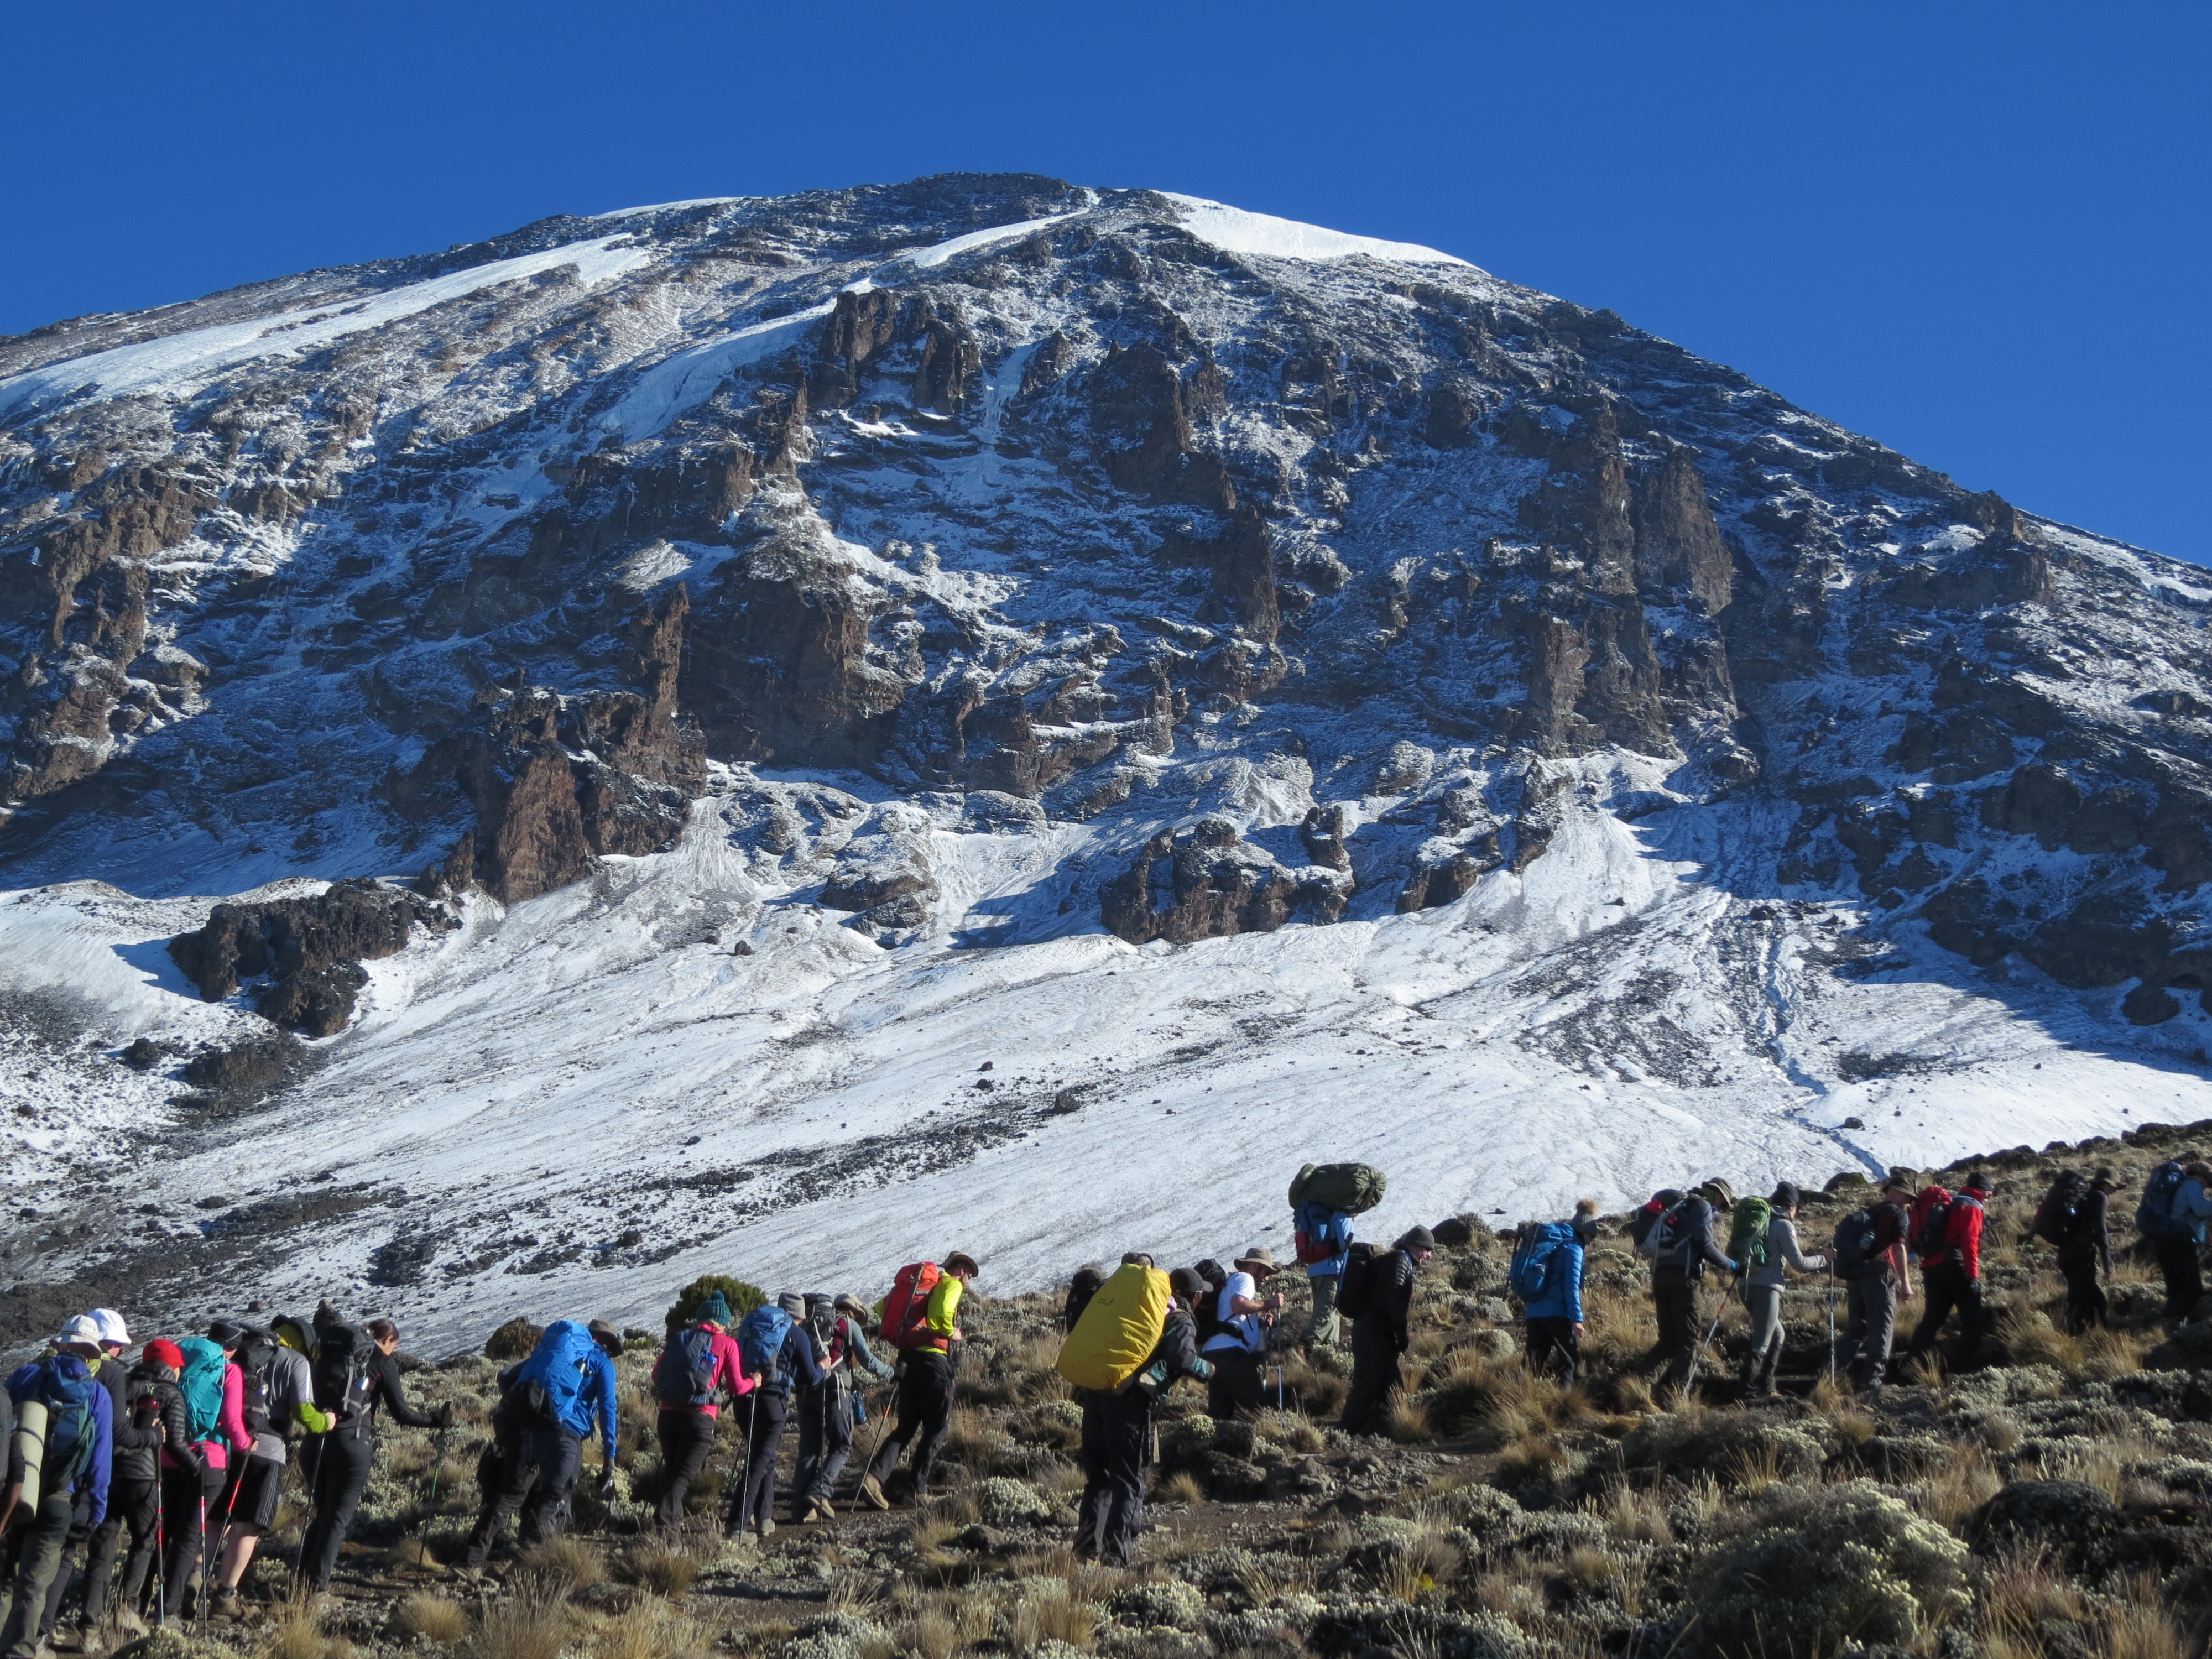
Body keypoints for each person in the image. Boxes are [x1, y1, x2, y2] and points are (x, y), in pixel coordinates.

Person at [297, 1318, 451, 1593]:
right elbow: (401, 1413)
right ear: (388, 1340)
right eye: (394, 1346)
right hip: (352, 1443)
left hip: (315, 1440)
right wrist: (436, 1421)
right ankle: (314, 1590)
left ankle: (299, 1581)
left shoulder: (332, 1354)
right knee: (336, 1520)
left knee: (322, 1515)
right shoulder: (382, 1362)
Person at [1074, 1267, 1212, 1566]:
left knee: (1100, 1479)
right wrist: (1209, 1370)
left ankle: (1086, 1549)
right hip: (1130, 1406)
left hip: (1098, 1395)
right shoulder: (1178, 1318)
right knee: (1130, 1481)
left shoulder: (1137, 1310)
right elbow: (1183, 1358)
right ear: (1195, 1296)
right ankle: (1116, 1556)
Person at [458, 1319, 617, 1571]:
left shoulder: (555, 1352)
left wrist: (523, 1413)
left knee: (513, 1494)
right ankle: (529, 1565)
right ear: (605, 1341)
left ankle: (470, 1561)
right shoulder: (601, 1363)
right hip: (566, 1434)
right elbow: (608, 1407)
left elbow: (507, 1375)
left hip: (529, 1426)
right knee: (555, 1496)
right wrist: (611, 1455)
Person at [0, 1317, 112, 1659]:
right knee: (34, 1585)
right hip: (60, 1498)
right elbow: (101, 1460)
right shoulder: (97, 1393)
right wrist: (97, 1510)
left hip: (15, 1491)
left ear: (59, 1344)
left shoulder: (26, 1376)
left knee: (4, 1579)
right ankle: (20, 1652)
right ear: (91, 1353)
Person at [208, 1319, 326, 1614]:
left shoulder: (244, 1353)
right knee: (247, 1527)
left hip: (229, 1444)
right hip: (268, 1451)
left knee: (214, 1520)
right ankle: (225, 1596)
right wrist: (326, 1422)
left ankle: (192, 1580)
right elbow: (303, 1412)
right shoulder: (296, 1362)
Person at [858, 1253, 979, 1511]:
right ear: (962, 1270)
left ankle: (874, 1478)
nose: (969, 1281)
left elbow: (882, 1307)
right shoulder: (951, 1284)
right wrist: (951, 1333)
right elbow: (941, 1315)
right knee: (937, 1428)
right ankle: (917, 1490)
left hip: (907, 1361)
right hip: (933, 1362)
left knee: (906, 1427)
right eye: (970, 1275)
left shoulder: (918, 1286)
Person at [91, 1337, 189, 1634]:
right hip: (145, 1476)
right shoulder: (170, 1394)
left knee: (104, 1542)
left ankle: (91, 1617)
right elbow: (175, 1442)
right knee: (145, 1542)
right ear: (173, 1367)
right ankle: (127, 1609)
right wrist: (196, 1469)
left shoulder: (122, 1384)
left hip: (108, 1473)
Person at [159, 1330, 249, 1620]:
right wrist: (246, 1445)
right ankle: (168, 1611)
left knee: (163, 1533)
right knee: (187, 1539)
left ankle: (139, 1600)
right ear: (231, 1349)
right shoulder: (229, 1371)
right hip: (208, 1461)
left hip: (168, 1458)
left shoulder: (181, 1362)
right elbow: (232, 1420)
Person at [725, 1295, 827, 1540]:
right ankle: (736, 1526)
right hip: (773, 1402)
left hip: (744, 1397)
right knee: (760, 1461)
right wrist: (824, 1366)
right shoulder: (796, 1333)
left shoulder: (755, 1325)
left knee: (764, 1456)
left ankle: (764, 1519)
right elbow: (811, 1378)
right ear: (799, 1317)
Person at [650, 1294, 752, 1532]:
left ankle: (669, 1531)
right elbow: (737, 1387)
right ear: (721, 1321)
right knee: (683, 1476)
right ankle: (663, 1527)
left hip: (667, 1416)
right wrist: (754, 1382)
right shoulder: (726, 1344)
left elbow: (657, 1374)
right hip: (700, 1417)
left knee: (674, 1473)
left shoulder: (680, 1339)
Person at [792, 1294, 895, 1524]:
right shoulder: (847, 1325)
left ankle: (801, 1508)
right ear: (853, 1311)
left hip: (806, 1391)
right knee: (842, 1445)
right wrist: (894, 1373)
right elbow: (868, 1360)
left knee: (809, 1450)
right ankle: (821, 1491)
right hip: (836, 1390)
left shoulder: (809, 1323)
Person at [1648, 1179, 1739, 1400]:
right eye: (1724, 1205)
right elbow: (1705, 1245)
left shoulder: (1681, 1204)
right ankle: (1675, 1398)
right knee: (1689, 1340)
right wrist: (1733, 1265)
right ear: (1718, 1195)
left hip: (1661, 1276)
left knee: (1668, 1341)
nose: (1721, 1210)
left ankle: (1636, 1390)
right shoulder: (1702, 1206)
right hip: (1684, 1280)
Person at [1738, 1184, 1830, 1397]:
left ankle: (1767, 1386)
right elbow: (1799, 1264)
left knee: (1777, 1334)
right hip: (1766, 1288)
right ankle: (1747, 1390)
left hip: (1745, 1286)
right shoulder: (1783, 1225)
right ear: (1792, 1207)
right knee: (1762, 1340)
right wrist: (1825, 1258)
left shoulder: (1759, 1221)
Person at [1340, 1227, 1433, 1436]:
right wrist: (1402, 1333)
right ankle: (1346, 1431)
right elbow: (1395, 1299)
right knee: (1367, 1385)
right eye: (1426, 1248)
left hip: (1375, 1331)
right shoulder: (1400, 1261)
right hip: (1375, 1333)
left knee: (1391, 1385)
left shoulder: (1396, 1259)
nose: (1428, 1254)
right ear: (1414, 1245)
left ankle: (1390, 1429)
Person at [1903, 1171, 1994, 1372]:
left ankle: (1912, 1364)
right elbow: (1970, 1242)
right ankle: (1961, 1369)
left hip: (1931, 1267)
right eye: (1989, 1191)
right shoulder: (1970, 1207)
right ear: (1982, 1190)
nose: (1990, 1196)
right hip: (1954, 1265)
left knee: (1932, 1320)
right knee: (1973, 1321)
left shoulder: (1951, 1203)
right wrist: (1973, 1276)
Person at [1834, 1176, 1915, 1394]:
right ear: (1898, 1192)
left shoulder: (1871, 1213)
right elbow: (1898, 1248)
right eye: (1908, 1197)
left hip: (1856, 1274)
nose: (1909, 1203)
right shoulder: (1898, 1214)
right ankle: (1872, 1380)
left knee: (1855, 1329)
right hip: (1880, 1275)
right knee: (1883, 1327)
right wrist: (1906, 1283)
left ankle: (1831, 1374)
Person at [1200, 1249, 1283, 1420]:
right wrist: (1270, 1302)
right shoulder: (1244, 1278)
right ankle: (1251, 1441)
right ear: (1255, 1266)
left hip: (1214, 1352)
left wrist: (1260, 1320)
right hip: (1230, 1353)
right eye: (1266, 1271)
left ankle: (1216, 1445)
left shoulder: (1233, 1282)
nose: (1266, 1277)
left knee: (1221, 1413)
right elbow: (1238, 1306)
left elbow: (1236, 1313)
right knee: (1255, 1404)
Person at [1522, 1201, 1598, 1386]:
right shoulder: (1574, 1248)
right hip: (1558, 1315)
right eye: (1591, 1238)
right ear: (1585, 1233)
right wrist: (1577, 1319)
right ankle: (1565, 1405)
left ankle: (1517, 1400)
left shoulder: (1553, 1244)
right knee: (1569, 1363)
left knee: (1532, 1364)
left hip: (1535, 1313)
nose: (1590, 1242)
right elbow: (1571, 1286)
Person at [2056, 1168, 2120, 1334]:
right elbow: (2101, 1231)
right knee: (2080, 1303)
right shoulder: (2099, 1197)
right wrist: (2107, 1265)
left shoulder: (2083, 1196)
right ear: (2105, 1184)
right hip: (2081, 1258)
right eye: (2113, 1187)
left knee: (2098, 1302)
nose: (2114, 1191)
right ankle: (2071, 1341)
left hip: (2066, 1255)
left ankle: (2098, 1338)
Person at [2151, 1160, 2212, 1323]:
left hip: (2165, 1241)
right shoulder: (2192, 1186)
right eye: (2207, 1180)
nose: (2207, 1185)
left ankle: (2173, 1327)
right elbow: (2201, 1209)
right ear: (2200, 1176)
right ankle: (2166, 1320)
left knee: (2177, 1289)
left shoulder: (2180, 1187)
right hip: (2179, 1243)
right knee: (2194, 1290)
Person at [1293, 1193, 1355, 1349]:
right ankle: (1303, 1346)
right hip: (1333, 1270)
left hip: (1315, 1269)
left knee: (1332, 1312)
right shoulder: (1342, 1215)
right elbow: (1345, 1244)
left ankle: (1328, 1349)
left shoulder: (1323, 1213)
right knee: (1326, 1311)